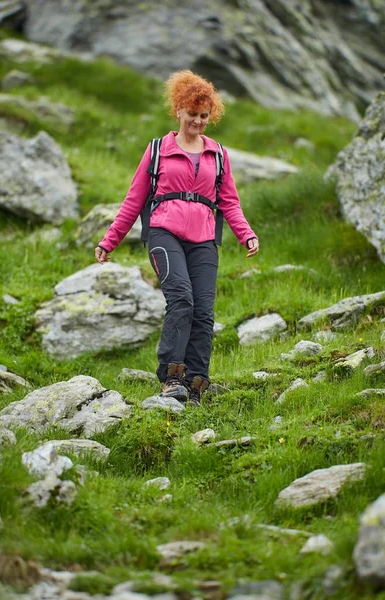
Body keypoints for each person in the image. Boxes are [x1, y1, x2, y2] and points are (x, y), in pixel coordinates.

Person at [95, 70, 259, 406]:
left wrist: (246, 234)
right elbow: (134, 199)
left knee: (204, 311)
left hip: (203, 239)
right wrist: (109, 240)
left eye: (204, 116)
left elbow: (229, 202)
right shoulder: (157, 150)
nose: (198, 122)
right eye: (192, 114)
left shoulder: (219, 155)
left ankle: (196, 384)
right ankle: (171, 379)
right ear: (178, 110)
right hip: (163, 233)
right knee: (182, 298)